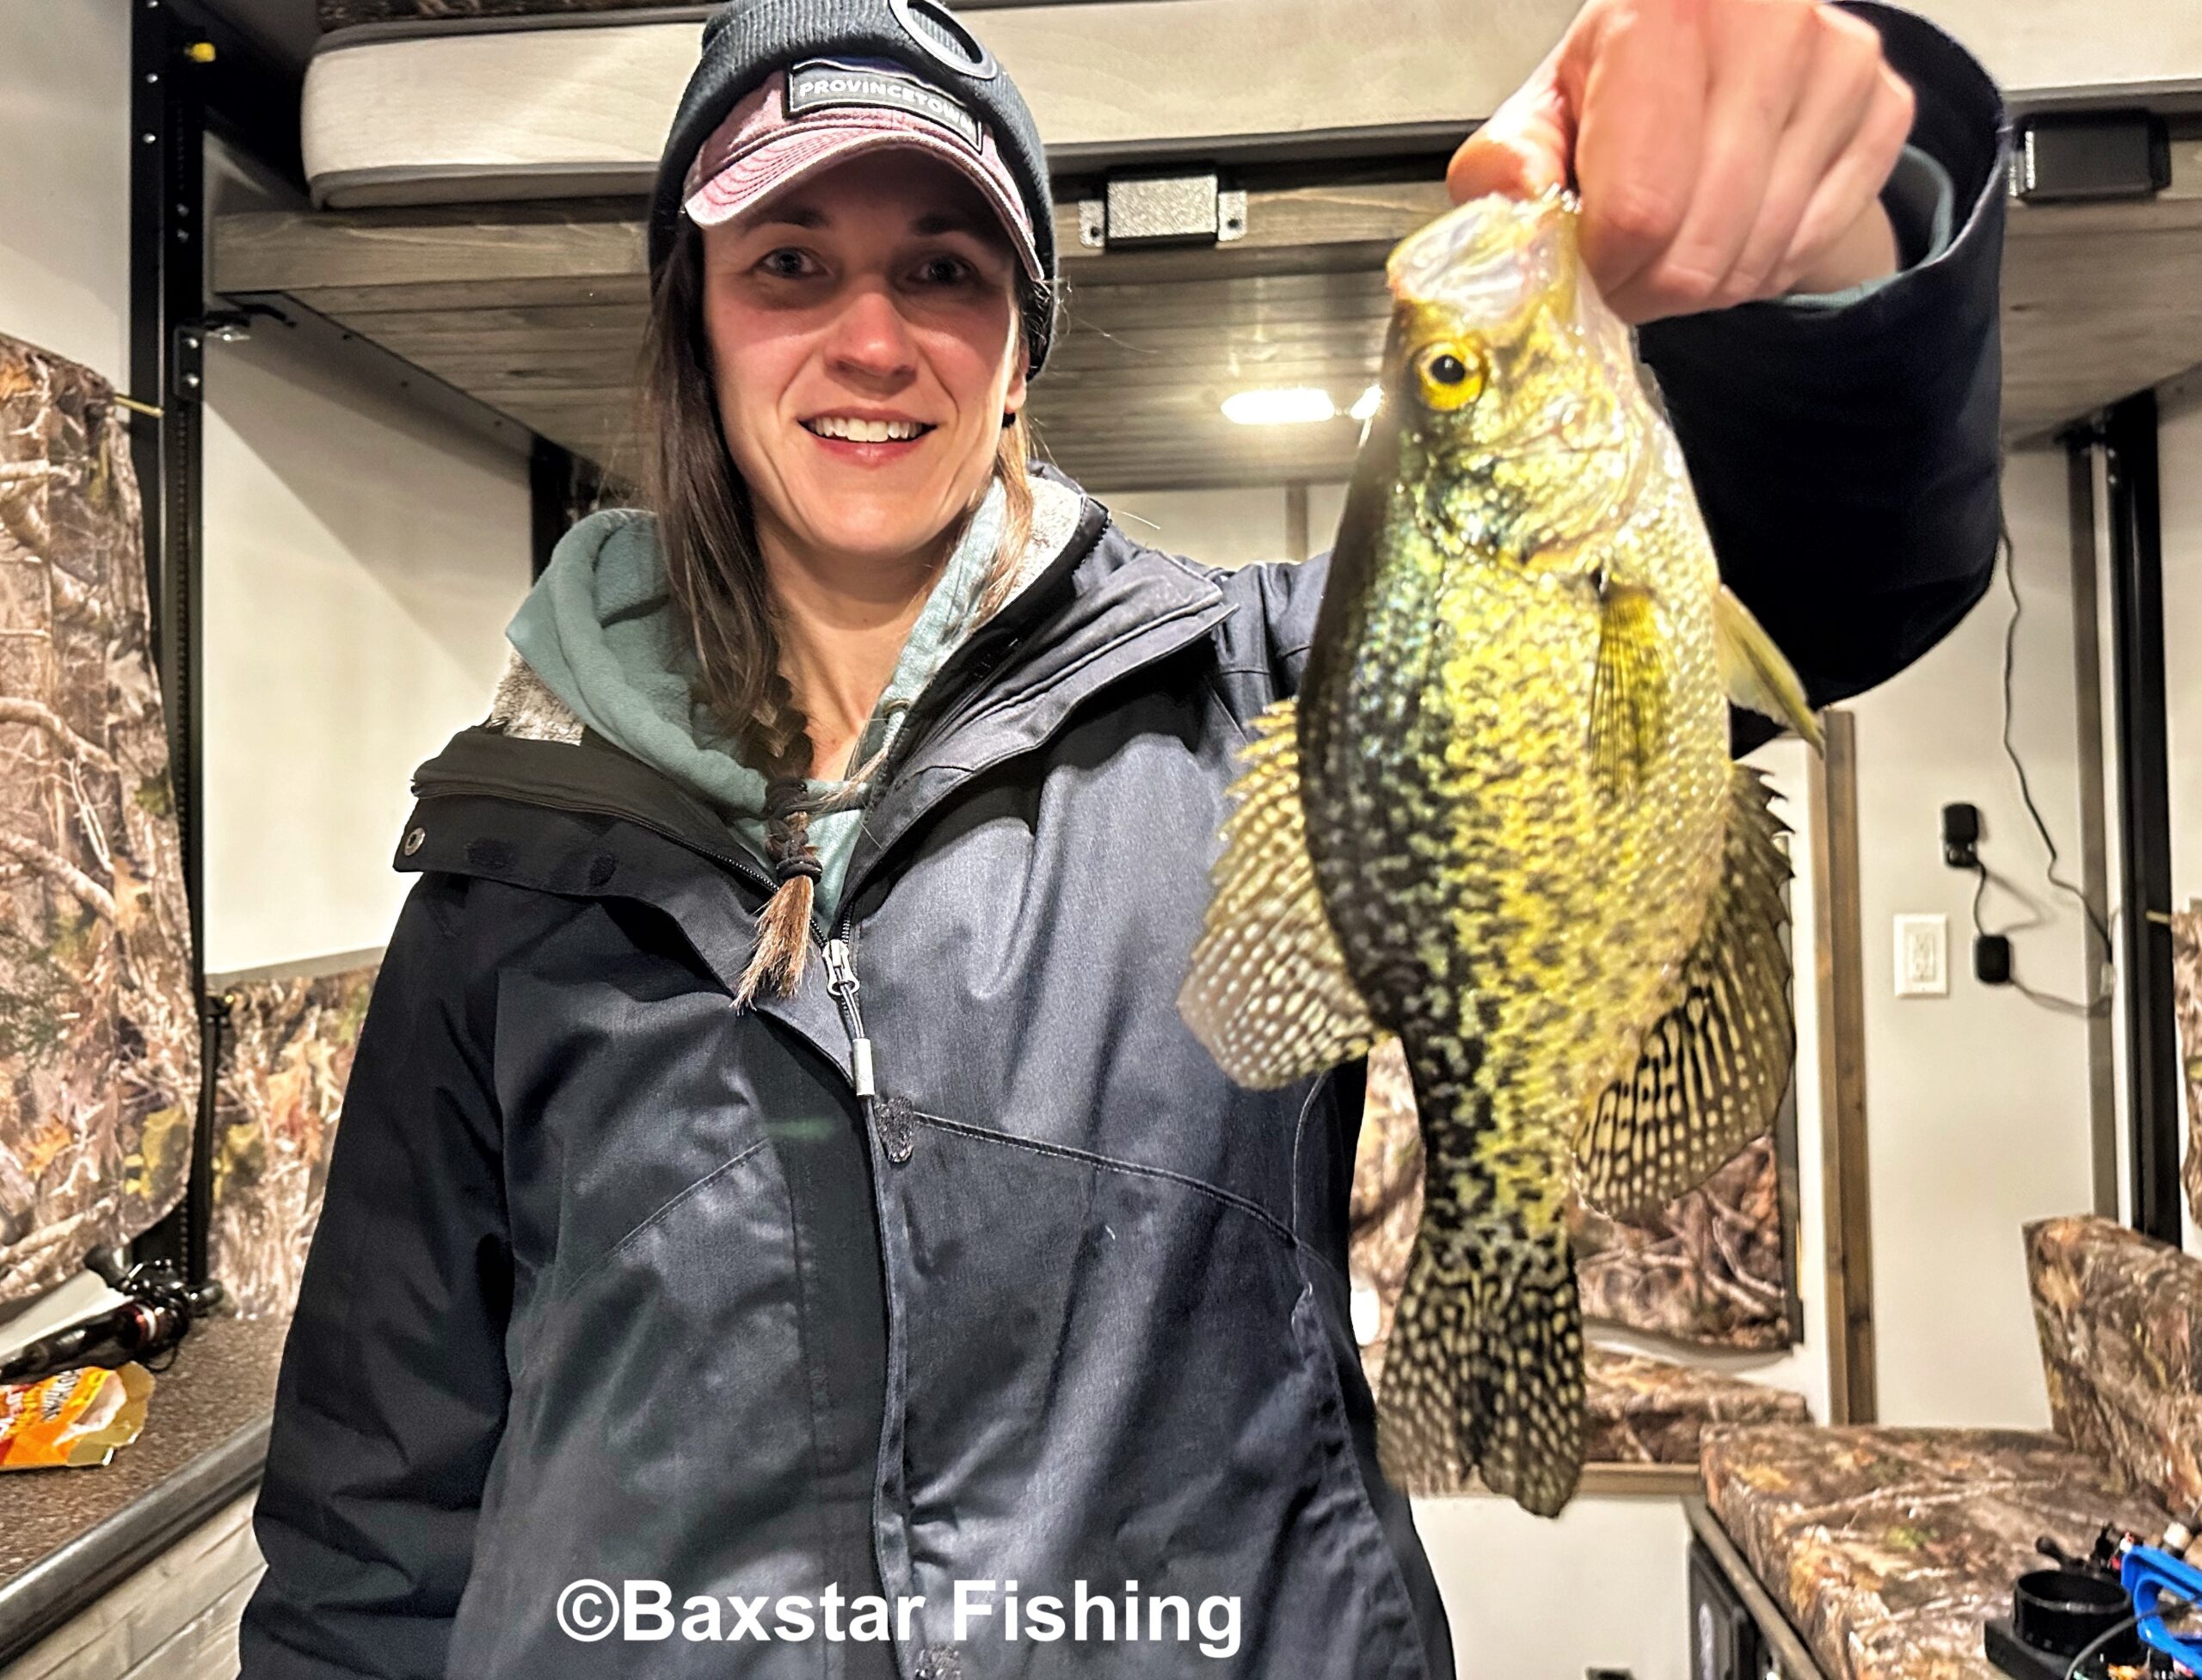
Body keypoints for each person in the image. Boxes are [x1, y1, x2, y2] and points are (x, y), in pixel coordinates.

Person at [237, 0, 2006, 1674]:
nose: (870, 336)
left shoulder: (1264, 686)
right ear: (696, 324)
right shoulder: (511, 850)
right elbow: (372, 1510)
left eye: (940, 267)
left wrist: (1826, 247)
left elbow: (1830, 584)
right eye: (789, 264)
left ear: (1019, 342)